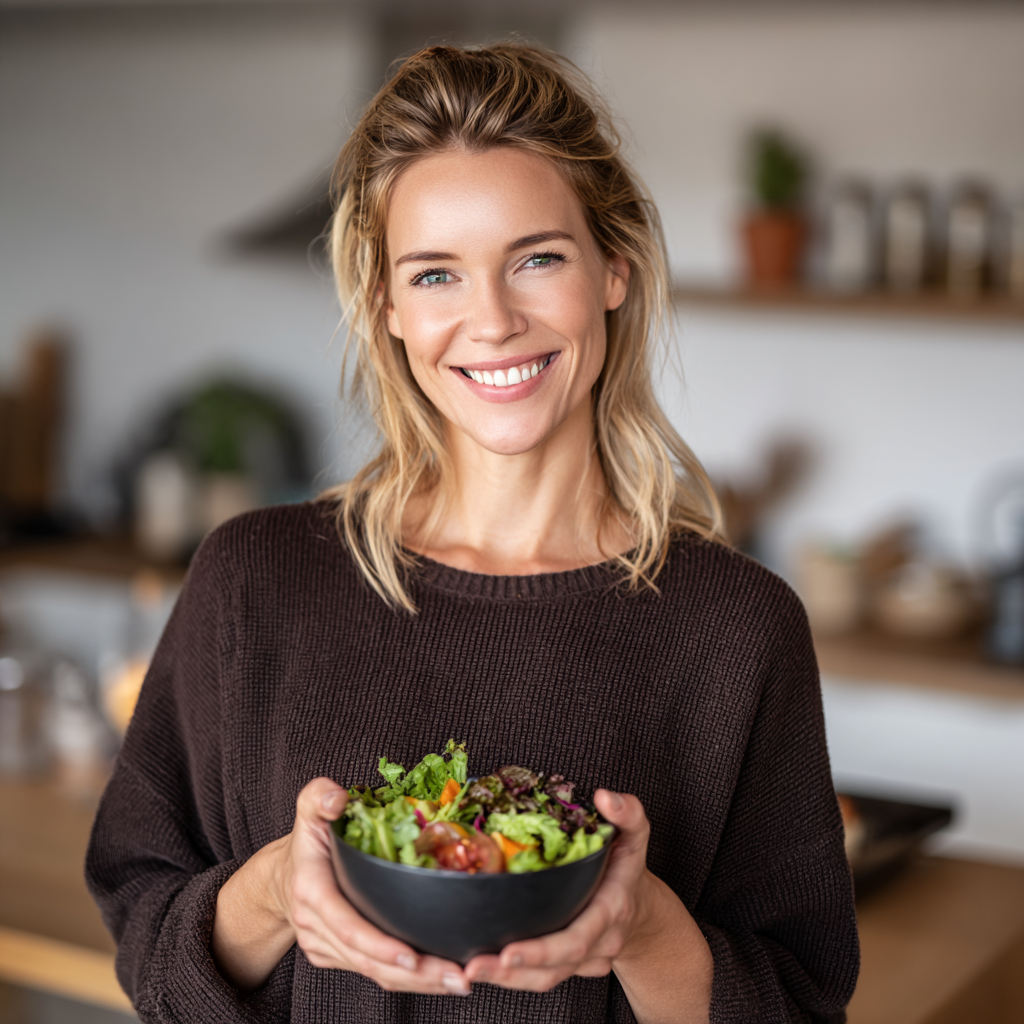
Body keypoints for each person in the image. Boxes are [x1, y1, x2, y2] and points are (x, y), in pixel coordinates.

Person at [86, 44, 858, 1024]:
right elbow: (145, 927)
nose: (490, 320)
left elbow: (797, 1003)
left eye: (536, 258)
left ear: (613, 270)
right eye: (436, 274)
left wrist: (640, 925)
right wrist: (282, 891)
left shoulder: (738, 624)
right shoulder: (254, 579)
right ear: (387, 308)